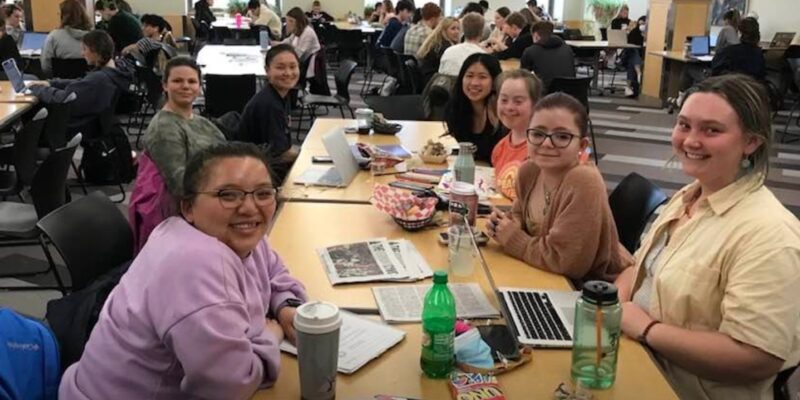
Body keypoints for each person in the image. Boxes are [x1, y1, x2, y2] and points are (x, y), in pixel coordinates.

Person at [60, 141, 309, 399]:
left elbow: (274, 271)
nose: (249, 207)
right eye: (228, 194)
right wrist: (270, 337)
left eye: (263, 193)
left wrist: (287, 305)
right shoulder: (195, 262)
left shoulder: (234, 234)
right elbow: (229, 385)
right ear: (188, 207)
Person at [614, 74, 800, 400]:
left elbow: (755, 357)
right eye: (684, 125)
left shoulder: (770, 236)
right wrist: (613, 304)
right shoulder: (691, 195)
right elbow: (640, 269)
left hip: (682, 388)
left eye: (711, 130)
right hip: (637, 357)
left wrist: (646, 329)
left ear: (751, 142)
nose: (690, 141)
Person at [487, 93, 631, 281]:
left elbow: (565, 262)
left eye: (562, 136)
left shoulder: (584, 181)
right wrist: (504, 225)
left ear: (582, 144)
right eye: (538, 134)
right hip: (547, 276)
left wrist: (514, 239)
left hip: (595, 290)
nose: (546, 143)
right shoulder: (528, 171)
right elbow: (518, 215)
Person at [143, 57, 226, 198]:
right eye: (177, 81)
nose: (185, 86)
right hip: (193, 206)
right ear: (165, 85)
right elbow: (180, 186)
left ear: (199, 88)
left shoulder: (202, 122)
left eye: (192, 81)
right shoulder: (164, 129)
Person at [28, 30, 132, 138]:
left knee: (31, 121)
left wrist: (37, 89)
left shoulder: (99, 79)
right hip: (93, 125)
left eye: (85, 49)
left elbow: (65, 98)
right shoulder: (112, 72)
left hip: (75, 127)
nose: (82, 53)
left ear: (96, 51)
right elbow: (80, 83)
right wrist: (50, 83)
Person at [239, 44, 301, 183]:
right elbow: (281, 154)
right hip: (261, 175)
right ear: (267, 70)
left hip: (268, 167)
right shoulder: (269, 105)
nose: (288, 73)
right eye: (280, 67)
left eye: (293, 66)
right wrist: (308, 155)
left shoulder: (281, 95)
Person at [491, 69, 542, 200]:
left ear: (535, 104)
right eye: (504, 100)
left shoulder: (543, 149)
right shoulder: (499, 148)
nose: (509, 107)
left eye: (518, 101)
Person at [444, 53, 502, 162]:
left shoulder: (500, 112)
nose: (474, 83)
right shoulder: (456, 108)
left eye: (482, 77)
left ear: (495, 81)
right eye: (469, 76)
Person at [41, 0, 92, 77]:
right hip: (89, 84)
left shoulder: (53, 37)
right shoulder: (95, 37)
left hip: (60, 86)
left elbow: (46, 67)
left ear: (63, 16)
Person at [520, 20, 575, 90]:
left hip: (546, 95)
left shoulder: (530, 51)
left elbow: (522, 76)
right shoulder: (567, 48)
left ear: (536, 35)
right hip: (571, 93)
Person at [417, 16, 459, 83]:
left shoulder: (436, 42)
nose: (457, 32)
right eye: (453, 29)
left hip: (426, 79)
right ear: (444, 31)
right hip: (432, 82)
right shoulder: (444, 48)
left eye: (458, 28)